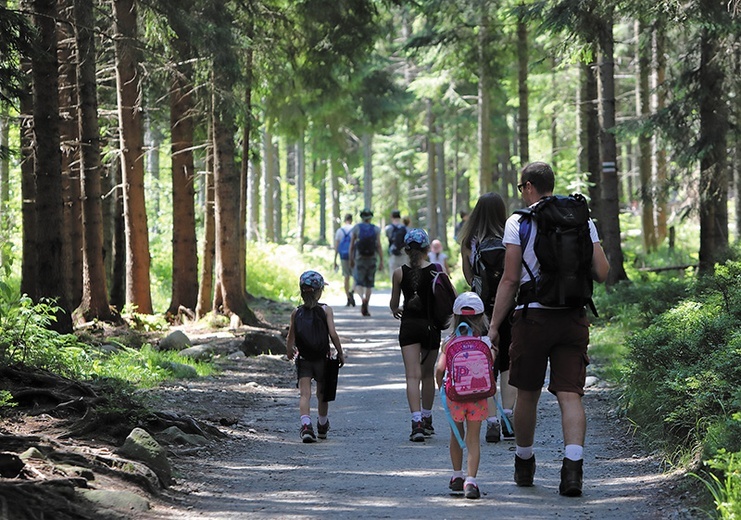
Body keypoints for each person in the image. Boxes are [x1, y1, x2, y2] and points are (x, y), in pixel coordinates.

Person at [487, 162, 609, 496]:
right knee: (571, 395)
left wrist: (495, 326)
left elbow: (510, 279)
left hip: (533, 318)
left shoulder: (519, 222)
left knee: (527, 393)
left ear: (528, 186)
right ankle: (573, 470)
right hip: (572, 317)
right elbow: (602, 271)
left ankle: (524, 464)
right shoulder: (581, 218)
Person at [459, 192, 516, 443]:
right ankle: (508, 415)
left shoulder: (470, 241)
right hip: (509, 307)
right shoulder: (511, 236)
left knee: (485, 364)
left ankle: (491, 420)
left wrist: (481, 293)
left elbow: (469, 277)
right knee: (508, 362)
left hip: (480, 311)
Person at [435, 292, 495, 500]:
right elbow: (491, 365)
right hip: (478, 397)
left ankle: (456, 476)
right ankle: (472, 480)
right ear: (481, 318)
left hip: (455, 396)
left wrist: (440, 386)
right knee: (474, 438)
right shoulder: (485, 342)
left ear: (454, 318)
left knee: (456, 435)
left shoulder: (449, 342)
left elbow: (439, 369)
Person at [389, 228, 441, 442]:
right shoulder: (436, 271)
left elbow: (394, 304)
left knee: (412, 376)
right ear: (427, 249)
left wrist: (396, 309)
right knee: (428, 375)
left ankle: (416, 421)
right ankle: (428, 419)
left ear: (406, 249)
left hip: (409, 326)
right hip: (431, 327)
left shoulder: (399, 273)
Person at [285, 270, 345, 443]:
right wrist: (340, 353)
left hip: (304, 359)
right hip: (322, 359)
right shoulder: (326, 310)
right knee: (322, 394)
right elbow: (333, 334)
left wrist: (289, 351)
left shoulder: (296, 312)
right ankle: (322, 425)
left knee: (305, 394)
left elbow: (291, 336)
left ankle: (306, 426)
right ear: (320, 292)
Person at [350, 208, 384, 317]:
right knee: (369, 283)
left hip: (360, 258)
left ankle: (362, 298)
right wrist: (381, 260)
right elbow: (378, 245)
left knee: (358, 281)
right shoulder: (375, 229)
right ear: (370, 218)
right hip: (372, 258)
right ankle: (367, 304)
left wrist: (351, 258)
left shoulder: (356, 228)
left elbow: (351, 245)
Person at [333, 213, 356, 307]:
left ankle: (348, 297)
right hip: (354, 256)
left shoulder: (340, 231)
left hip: (343, 256)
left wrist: (334, 260)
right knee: (356, 277)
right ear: (352, 219)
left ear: (344, 220)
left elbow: (336, 246)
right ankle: (352, 291)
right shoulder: (355, 229)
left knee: (346, 277)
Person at [385, 209, 408, 274]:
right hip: (403, 253)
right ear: (399, 217)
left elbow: (389, 238)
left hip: (393, 252)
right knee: (404, 274)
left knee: (394, 274)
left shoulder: (388, 228)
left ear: (392, 217)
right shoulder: (405, 228)